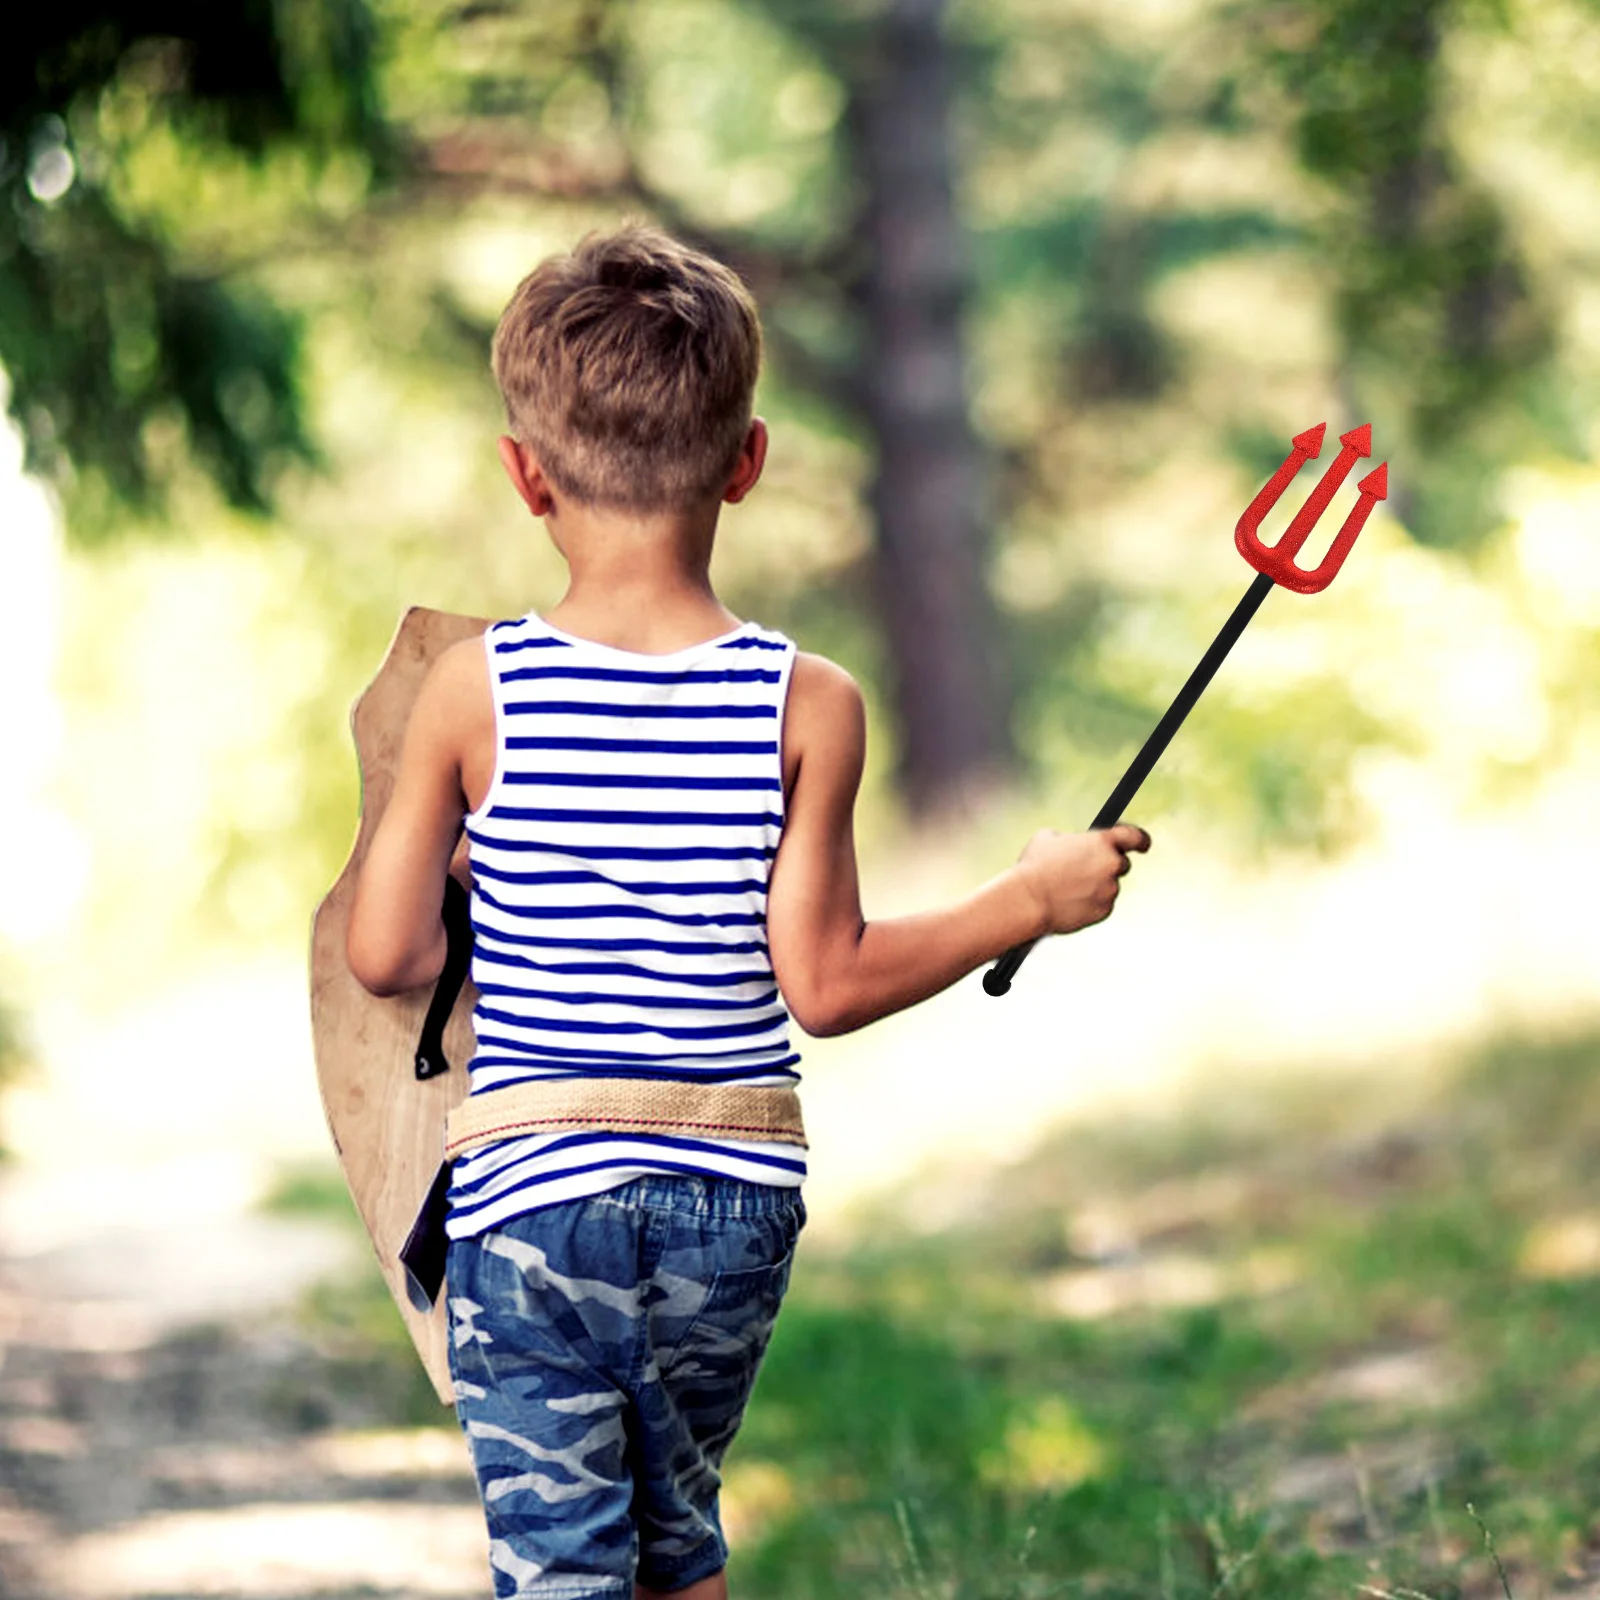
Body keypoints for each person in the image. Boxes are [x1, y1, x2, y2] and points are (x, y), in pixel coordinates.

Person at [344, 223, 1150, 1600]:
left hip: (531, 1204)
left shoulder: (474, 689)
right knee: (677, 1544)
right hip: (731, 1200)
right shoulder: (806, 701)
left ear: (522, 473)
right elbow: (825, 985)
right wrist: (1025, 899)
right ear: (749, 459)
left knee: (563, 1567)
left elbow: (384, 958)